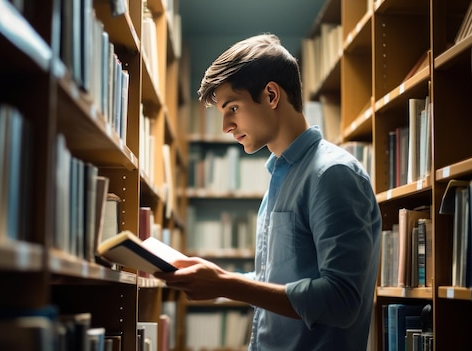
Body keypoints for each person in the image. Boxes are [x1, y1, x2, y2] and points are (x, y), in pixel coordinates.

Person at [154, 33, 382, 351]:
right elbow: (281, 280)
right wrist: (222, 278)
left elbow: (342, 300)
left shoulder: (332, 174)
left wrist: (228, 285)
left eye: (232, 108)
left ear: (271, 95)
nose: (226, 127)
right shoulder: (282, 174)